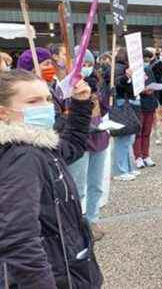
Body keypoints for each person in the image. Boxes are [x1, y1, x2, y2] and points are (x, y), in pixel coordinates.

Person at [0, 70, 103, 287]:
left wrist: (81, 104)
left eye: (47, 99)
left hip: (65, 263)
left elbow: (71, 147)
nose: (45, 107)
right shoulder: (23, 157)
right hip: (54, 273)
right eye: (33, 101)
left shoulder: (37, 146)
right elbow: (18, 238)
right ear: (3, 113)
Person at [67, 47, 111, 242]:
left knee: (96, 184)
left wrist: (109, 95)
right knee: (78, 185)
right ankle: (75, 224)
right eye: (82, 64)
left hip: (99, 136)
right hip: (80, 140)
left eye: (89, 64)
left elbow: (105, 109)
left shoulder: (99, 83)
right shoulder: (68, 85)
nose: (86, 68)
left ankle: (92, 219)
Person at [110, 48, 140, 181]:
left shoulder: (121, 68)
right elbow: (116, 84)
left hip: (124, 103)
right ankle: (120, 170)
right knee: (123, 139)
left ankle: (127, 168)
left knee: (128, 139)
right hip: (120, 104)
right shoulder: (118, 69)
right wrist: (126, 77)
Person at [133, 49, 159, 169]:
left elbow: (153, 83)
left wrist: (152, 89)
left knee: (147, 132)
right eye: (144, 59)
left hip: (150, 104)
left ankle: (146, 155)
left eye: (148, 59)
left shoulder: (148, 69)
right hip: (139, 104)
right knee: (138, 132)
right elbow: (132, 88)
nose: (146, 61)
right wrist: (143, 90)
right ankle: (138, 157)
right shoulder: (133, 70)